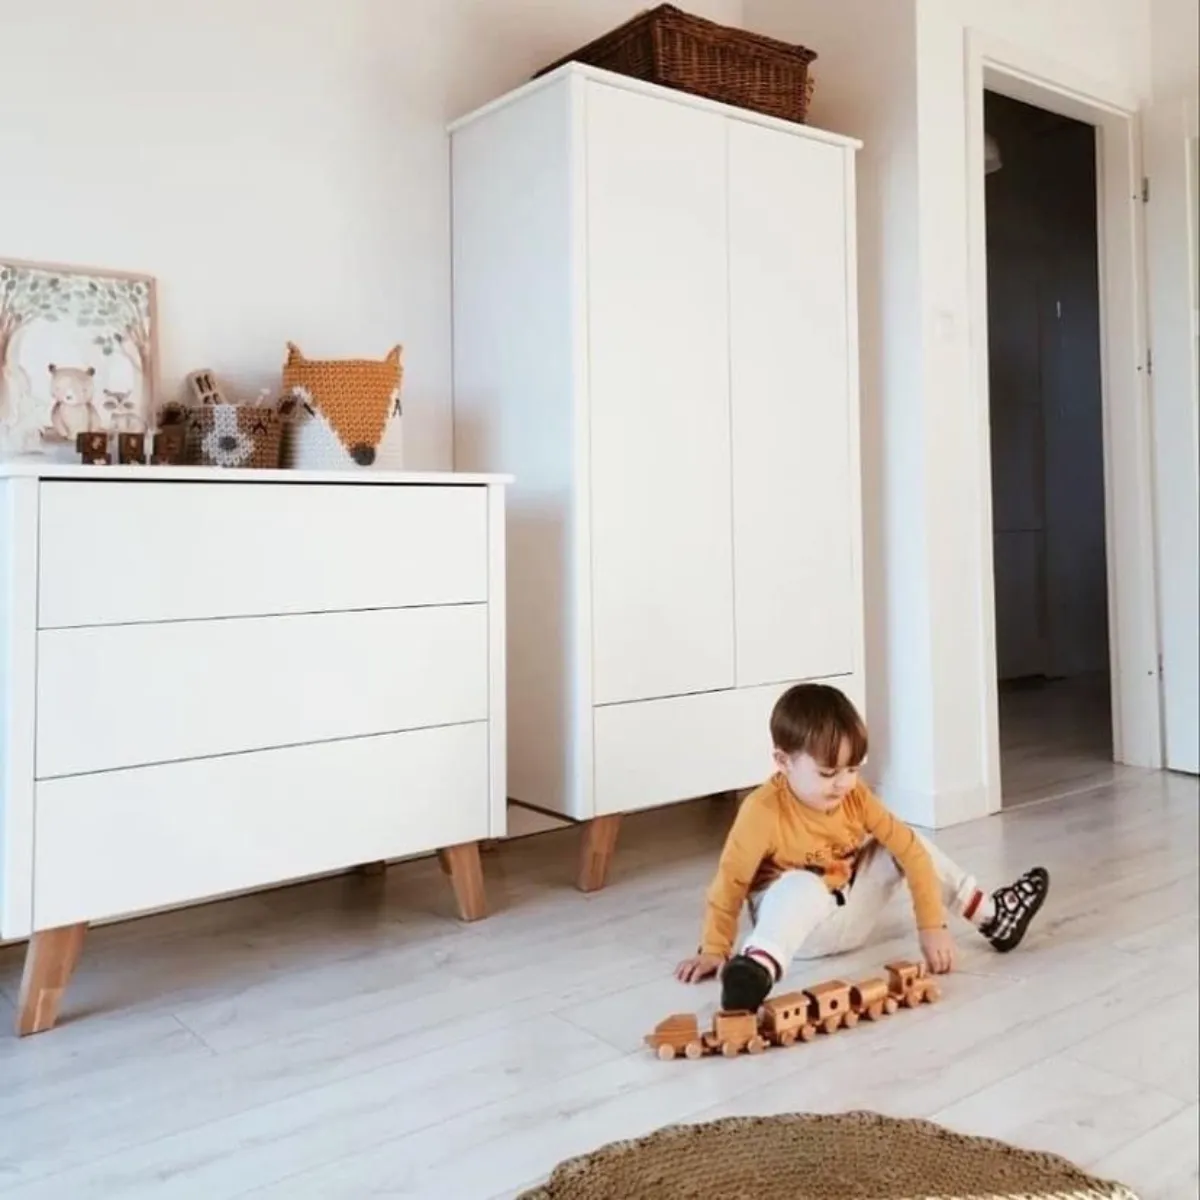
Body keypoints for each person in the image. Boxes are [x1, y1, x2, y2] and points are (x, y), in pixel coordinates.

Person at [674, 683, 1050, 1014]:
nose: (843, 783)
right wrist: (714, 949)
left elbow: (910, 852)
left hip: (848, 913)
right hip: (796, 931)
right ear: (783, 761)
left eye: (852, 769)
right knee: (802, 885)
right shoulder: (762, 810)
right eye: (828, 773)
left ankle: (993, 917)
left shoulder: (855, 796)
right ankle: (759, 968)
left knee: (907, 841)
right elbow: (730, 881)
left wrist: (931, 925)